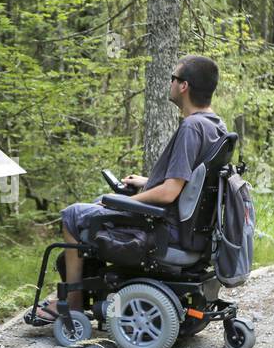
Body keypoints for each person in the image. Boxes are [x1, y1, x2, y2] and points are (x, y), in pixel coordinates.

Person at [34, 54, 227, 323]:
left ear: (184, 86)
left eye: (173, 78)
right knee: (99, 204)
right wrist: (147, 183)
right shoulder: (215, 125)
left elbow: (171, 192)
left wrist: (118, 202)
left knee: (73, 215)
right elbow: (191, 184)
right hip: (191, 230)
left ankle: (73, 303)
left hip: (165, 230)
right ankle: (81, 290)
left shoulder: (191, 128)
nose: (170, 83)